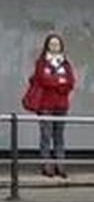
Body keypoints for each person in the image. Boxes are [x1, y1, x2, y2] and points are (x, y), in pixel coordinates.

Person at [23, 33, 75, 178]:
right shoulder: (41, 63)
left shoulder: (65, 63)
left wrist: (57, 82)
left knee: (59, 136)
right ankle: (46, 165)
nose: (54, 47)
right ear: (47, 46)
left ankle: (60, 165)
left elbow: (70, 82)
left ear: (61, 46)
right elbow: (44, 80)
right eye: (51, 44)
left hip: (61, 105)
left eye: (57, 44)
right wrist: (60, 82)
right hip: (46, 105)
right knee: (46, 135)